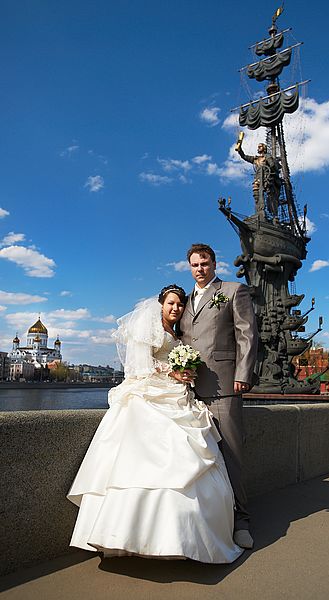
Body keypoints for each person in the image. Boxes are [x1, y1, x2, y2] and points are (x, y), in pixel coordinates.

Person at [67, 284, 243, 563]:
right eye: (171, 304)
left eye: (180, 305)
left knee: (189, 454)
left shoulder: (177, 333)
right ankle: (124, 535)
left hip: (176, 395)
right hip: (150, 395)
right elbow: (138, 367)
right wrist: (172, 371)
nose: (176, 309)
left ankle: (182, 538)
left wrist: (182, 373)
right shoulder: (147, 330)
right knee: (141, 462)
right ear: (160, 304)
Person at [178, 244, 258, 549]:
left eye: (205, 263)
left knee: (232, 454)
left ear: (214, 263)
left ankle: (243, 520)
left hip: (225, 386)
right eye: (195, 265)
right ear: (190, 267)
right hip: (189, 390)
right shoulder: (185, 301)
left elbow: (247, 334)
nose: (200, 269)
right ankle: (209, 520)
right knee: (197, 457)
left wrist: (243, 374)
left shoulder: (233, 290)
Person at [235, 141, 282, 217]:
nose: (258, 148)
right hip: (258, 178)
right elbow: (244, 156)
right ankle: (259, 212)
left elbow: (272, 166)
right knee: (256, 194)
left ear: (264, 148)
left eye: (260, 146)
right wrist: (240, 149)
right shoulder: (255, 159)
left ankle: (274, 215)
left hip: (267, 178)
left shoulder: (267, 156)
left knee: (269, 195)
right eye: (258, 147)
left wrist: (271, 168)